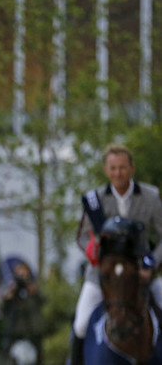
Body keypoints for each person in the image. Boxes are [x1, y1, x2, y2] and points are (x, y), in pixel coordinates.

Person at [70, 143, 162, 365]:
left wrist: (151, 264)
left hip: (142, 271)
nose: (118, 173)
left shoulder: (150, 196)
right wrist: (94, 251)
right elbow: (83, 237)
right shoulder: (95, 200)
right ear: (106, 170)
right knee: (81, 324)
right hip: (104, 274)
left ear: (132, 168)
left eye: (122, 167)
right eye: (113, 168)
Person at [2, 261, 44, 365]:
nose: (22, 278)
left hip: (33, 332)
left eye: (24, 275)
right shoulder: (13, 290)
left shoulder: (33, 289)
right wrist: (10, 295)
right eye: (19, 275)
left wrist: (31, 289)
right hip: (16, 332)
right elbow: (4, 310)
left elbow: (43, 300)